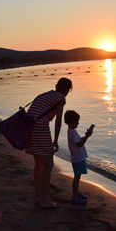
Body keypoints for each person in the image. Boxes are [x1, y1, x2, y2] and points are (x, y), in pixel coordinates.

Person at [25, 77, 73, 209]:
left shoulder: (45, 95)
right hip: (40, 129)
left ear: (57, 86)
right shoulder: (60, 98)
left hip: (29, 128)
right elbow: (58, 121)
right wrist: (56, 140)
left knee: (39, 165)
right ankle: (45, 200)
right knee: (48, 164)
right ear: (68, 90)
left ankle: (37, 198)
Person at [64, 110, 94, 205]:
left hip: (76, 157)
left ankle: (76, 194)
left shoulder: (71, 131)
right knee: (77, 178)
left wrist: (85, 136)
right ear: (72, 121)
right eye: (77, 121)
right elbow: (80, 144)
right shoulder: (72, 132)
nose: (78, 123)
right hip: (78, 158)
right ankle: (75, 197)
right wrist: (87, 136)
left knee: (77, 177)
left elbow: (78, 142)